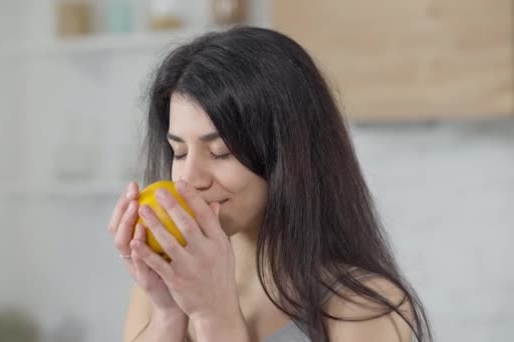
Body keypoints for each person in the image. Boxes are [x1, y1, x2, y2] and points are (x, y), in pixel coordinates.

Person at [108, 26, 432, 342]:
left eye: (220, 152)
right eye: (179, 152)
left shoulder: (365, 306)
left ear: (289, 155)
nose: (189, 180)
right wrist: (169, 313)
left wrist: (213, 318)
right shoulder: (162, 287)